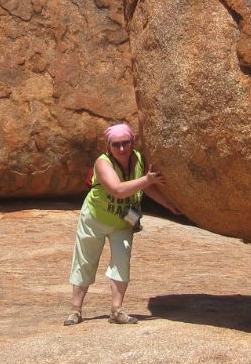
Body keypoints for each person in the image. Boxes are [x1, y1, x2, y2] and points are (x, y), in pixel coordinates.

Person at [64, 122, 179, 326]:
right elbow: (117, 190)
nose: (122, 149)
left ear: (132, 142)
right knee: (85, 261)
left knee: (121, 262)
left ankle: (116, 310)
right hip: (95, 218)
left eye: (126, 143)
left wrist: (169, 205)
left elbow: (146, 187)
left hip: (122, 221)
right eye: (116, 145)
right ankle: (75, 310)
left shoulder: (139, 159)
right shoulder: (103, 163)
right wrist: (147, 180)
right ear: (108, 146)